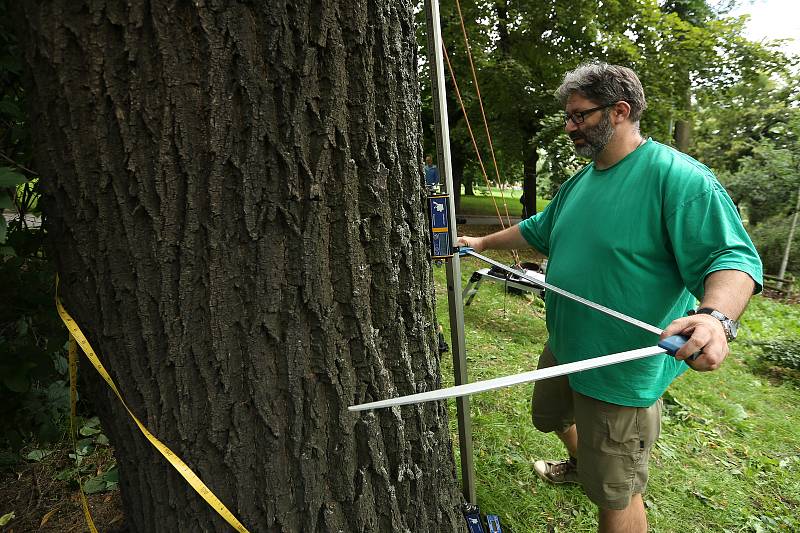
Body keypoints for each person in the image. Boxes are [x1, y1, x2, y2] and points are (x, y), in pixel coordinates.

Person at [458, 63, 762, 533]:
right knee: (550, 416)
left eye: (580, 116)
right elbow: (539, 230)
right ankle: (587, 465)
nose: (569, 126)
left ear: (619, 112)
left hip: (618, 373)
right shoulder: (582, 181)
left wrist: (715, 317)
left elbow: (732, 258)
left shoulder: (677, 178)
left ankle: (604, 480)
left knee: (617, 495)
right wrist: (480, 244)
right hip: (566, 346)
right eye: (569, 116)